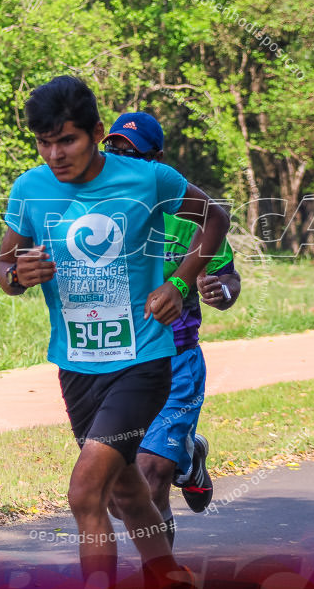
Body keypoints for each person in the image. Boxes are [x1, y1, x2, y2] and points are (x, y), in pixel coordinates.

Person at [0, 76, 230, 589]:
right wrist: (18, 276)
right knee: (125, 490)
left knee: (85, 492)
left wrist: (179, 281)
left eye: (68, 140)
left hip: (142, 359)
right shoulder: (30, 188)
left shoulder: (148, 179)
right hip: (76, 365)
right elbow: (5, 265)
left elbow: (214, 216)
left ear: (97, 133)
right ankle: (171, 580)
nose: (55, 154)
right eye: (44, 142)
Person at [102, 113, 241, 547]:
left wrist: (221, 291)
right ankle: (189, 453)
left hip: (175, 360)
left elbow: (230, 277)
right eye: (113, 152)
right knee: (117, 497)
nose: (121, 162)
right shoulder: (98, 213)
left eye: (133, 155)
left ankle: (160, 580)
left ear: (157, 161)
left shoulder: (190, 217)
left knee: (150, 474)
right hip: (114, 364)